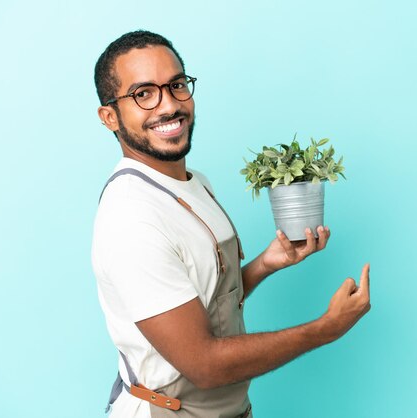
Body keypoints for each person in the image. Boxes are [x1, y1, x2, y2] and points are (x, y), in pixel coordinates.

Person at [92, 30, 371, 418]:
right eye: (143, 94)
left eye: (176, 85)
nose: (168, 105)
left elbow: (205, 302)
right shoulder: (132, 216)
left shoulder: (194, 181)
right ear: (110, 116)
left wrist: (264, 264)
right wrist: (325, 328)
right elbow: (204, 365)